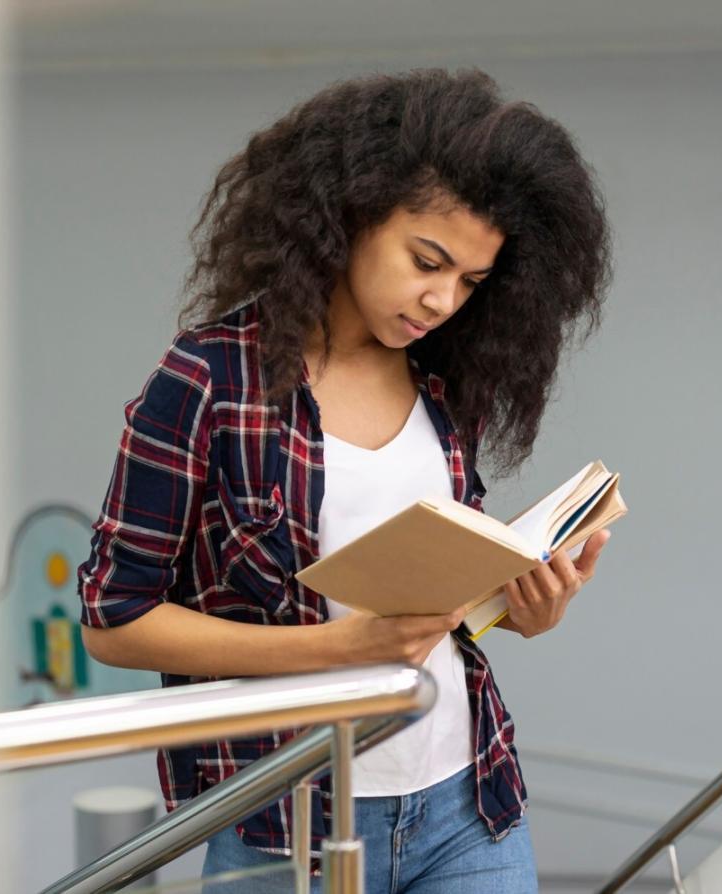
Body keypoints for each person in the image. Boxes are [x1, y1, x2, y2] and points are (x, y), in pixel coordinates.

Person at [76, 67, 613, 893]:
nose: (441, 300)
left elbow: (426, 605)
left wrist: (520, 611)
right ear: (351, 214)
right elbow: (115, 622)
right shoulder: (209, 379)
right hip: (285, 822)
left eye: (470, 282)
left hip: (467, 801)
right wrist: (332, 651)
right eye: (426, 260)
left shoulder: (442, 387)